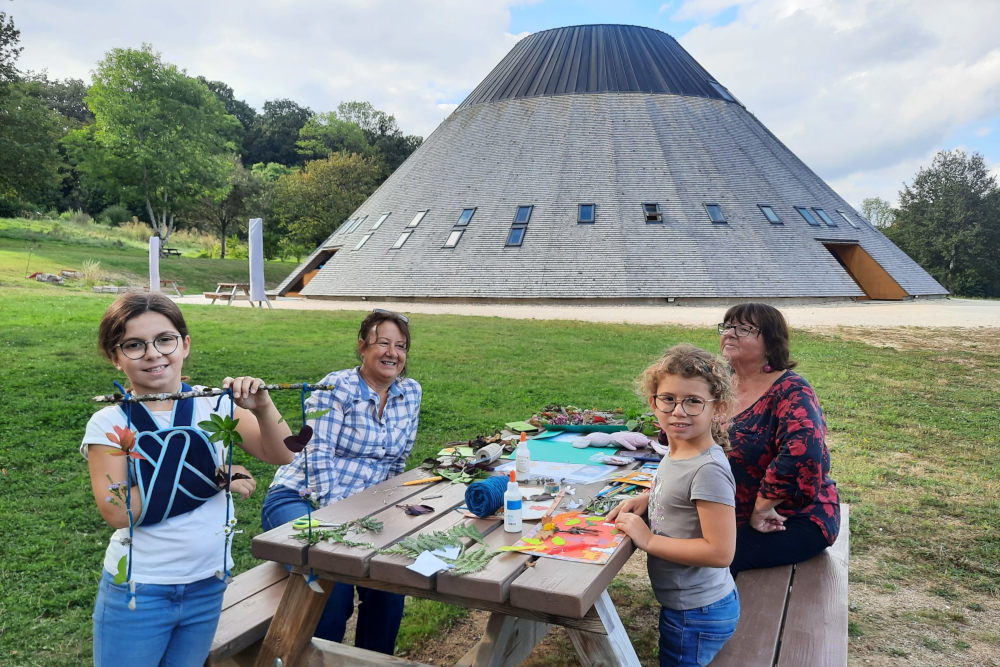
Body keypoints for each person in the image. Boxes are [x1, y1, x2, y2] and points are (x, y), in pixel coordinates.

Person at [82, 292, 293, 666]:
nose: (153, 353)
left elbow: (282, 453)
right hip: (139, 590)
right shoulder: (110, 423)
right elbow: (119, 512)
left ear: (185, 344)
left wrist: (263, 407)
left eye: (165, 339)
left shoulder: (215, 405)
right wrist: (209, 478)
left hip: (208, 584)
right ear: (115, 358)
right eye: (134, 345)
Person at [260, 309, 421, 654]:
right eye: (383, 343)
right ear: (362, 347)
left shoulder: (410, 392)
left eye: (401, 346)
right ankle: (310, 660)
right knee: (332, 582)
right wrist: (340, 524)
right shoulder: (335, 387)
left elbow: (397, 460)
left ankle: (374, 662)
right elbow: (317, 458)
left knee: (389, 584)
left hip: (364, 509)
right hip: (302, 497)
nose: (393, 352)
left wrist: (390, 508)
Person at [609, 344, 739, 667]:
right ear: (654, 403)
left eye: (693, 401)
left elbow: (720, 552)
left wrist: (649, 540)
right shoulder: (677, 446)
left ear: (717, 408)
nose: (678, 411)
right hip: (693, 606)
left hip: (696, 613)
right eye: (668, 399)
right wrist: (646, 499)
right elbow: (678, 493)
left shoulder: (708, 469)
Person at [719, 302, 840, 576]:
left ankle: (710, 619)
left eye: (743, 328)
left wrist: (763, 506)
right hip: (728, 510)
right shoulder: (718, 383)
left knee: (712, 559)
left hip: (789, 517)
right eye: (727, 326)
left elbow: (804, 454)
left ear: (772, 342)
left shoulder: (792, 391)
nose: (730, 333)